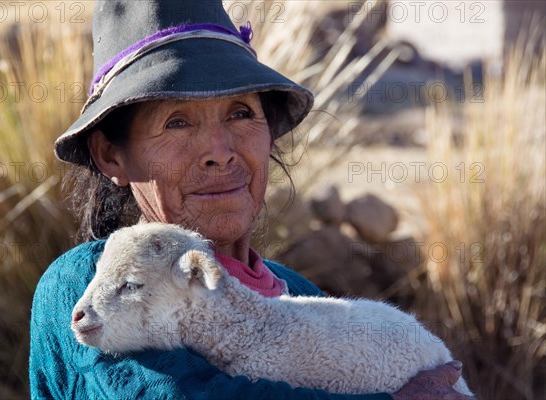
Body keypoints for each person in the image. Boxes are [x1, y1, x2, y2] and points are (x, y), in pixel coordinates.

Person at [29, 1, 475, 399]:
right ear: (112, 155)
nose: (220, 152)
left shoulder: (298, 295)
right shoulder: (88, 287)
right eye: (177, 122)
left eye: (241, 113)